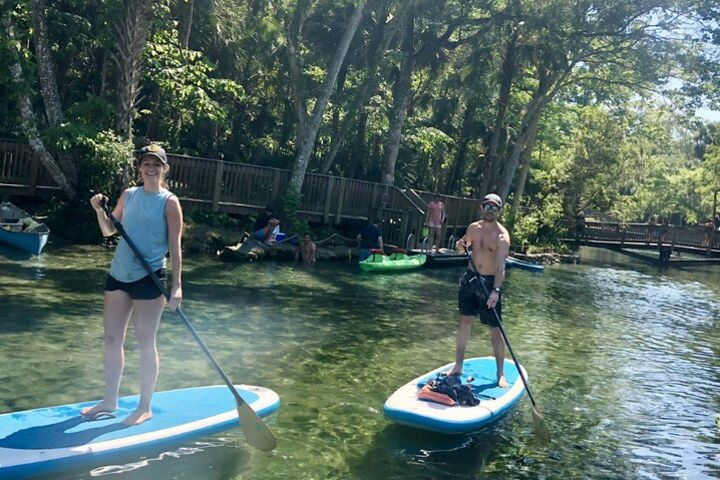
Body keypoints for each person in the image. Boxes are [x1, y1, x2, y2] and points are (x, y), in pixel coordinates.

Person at [84, 144, 183, 426]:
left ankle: (144, 406)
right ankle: (110, 400)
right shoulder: (128, 195)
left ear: (164, 168)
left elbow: (175, 247)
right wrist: (97, 210)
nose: (150, 168)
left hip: (150, 278)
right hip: (119, 275)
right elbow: (108, 230)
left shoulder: (169, 201)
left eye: (156, 163)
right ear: (139, 168)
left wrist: (177, 286)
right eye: (146, 163)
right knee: (112, 339)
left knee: (144, 341)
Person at [448, 193, 510, 388]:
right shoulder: (473, 228)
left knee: (495, 330)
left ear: (499, 211)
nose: (490, 210)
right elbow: (462, 248)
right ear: (482, 207)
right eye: (487, 206)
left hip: (490, 284)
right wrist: (460, 246)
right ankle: (458, 365)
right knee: (464, 322)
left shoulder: (502, 236)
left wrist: (496, 291)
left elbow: (501, 267)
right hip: (470, 279)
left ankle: (500, 374)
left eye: (494, 207)